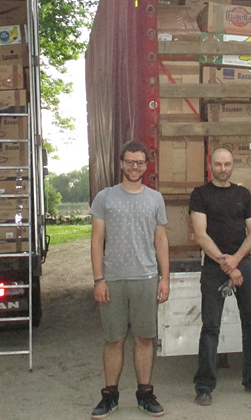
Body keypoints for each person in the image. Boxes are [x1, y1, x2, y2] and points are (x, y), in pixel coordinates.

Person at [89, 141, 170, 418]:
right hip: (112, 279)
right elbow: (97, 239)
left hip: (146, 277)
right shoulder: (105, 198)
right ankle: (109, 395)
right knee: (113, 339)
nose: (134, 167)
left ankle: (145, 394)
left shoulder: (155, 199)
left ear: (146, 166)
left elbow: (161, 239)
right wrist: (99, 279)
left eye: (139, 162)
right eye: (129, 161)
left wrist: (164, 278)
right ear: (121, 163)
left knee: (145, 338)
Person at [190, 147, 251, 406]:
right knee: (210, 327)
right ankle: (204, 386)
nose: (223, 169)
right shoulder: (200, 195)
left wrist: (236, 261)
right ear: (210, 165)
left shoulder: (242, 194)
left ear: (232, 165)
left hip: (242, 264)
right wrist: (227, 264)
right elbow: (201, 235)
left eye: (227, 164)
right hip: (215, 267)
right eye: (218, 164)